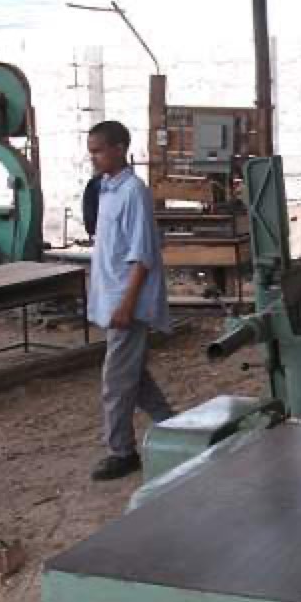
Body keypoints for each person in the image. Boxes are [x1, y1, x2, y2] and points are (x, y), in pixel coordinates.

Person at [85, 120, 174, 481]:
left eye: (99, 150)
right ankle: (176, 427)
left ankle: (121, 451)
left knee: (115, 381)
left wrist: (126, 303)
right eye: (91, 151)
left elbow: (142, 254)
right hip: (113, 298)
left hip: (128, 301)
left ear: (120, 148)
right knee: (133, 377)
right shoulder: (106, 189)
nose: (94, 157)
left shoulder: (134, 192)